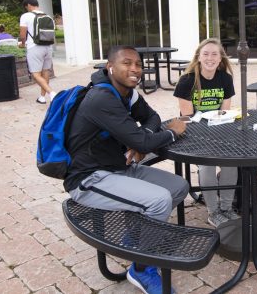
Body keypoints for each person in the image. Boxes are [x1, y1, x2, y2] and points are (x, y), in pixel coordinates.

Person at [64, 45, 189, 294]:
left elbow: (151, 117)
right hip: (90, 178)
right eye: (127, 63)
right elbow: (147, 139)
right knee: (159, 200)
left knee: (179, 186)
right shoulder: (101, 98)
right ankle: (141, 269)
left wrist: (141, 138)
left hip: (119, 168)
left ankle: (133, 241)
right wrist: (172, 132)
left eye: (138, 64)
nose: (134, 69)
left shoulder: (128, 93)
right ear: (110, 67)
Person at [173, 38, 239, 227]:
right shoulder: (187, 81)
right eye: (206, 54)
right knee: (207, 166)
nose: (210, 58)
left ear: (220, 58)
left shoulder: (225, 78)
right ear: (199, 57)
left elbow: (225, 112)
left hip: (220, 131)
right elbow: (187, 117)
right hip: (195, 133)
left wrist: (220, 128)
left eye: (214, 54)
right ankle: (213, 211)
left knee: (231, 163)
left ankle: (226, 208)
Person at [19, 0, 56, 104]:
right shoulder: (48, 16)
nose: (27, 9)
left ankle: (52, 93)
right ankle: (42, 97)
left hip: (34, 47)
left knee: (35, 74)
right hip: (48, 47)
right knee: (45, 72)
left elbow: (22, 35)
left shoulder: (25, 16)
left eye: (26, 7)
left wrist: (22, 43)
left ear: (29, 5)